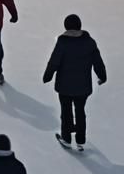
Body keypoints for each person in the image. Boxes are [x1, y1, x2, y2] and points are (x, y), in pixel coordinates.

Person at [42, 14, 107, 151]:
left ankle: (66, 137)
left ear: (66, 26)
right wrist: (102, 76)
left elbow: (54, 61)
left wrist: (47, 75)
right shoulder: (89, 42)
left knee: (66, 111)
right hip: (83, 87)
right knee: (80, 111)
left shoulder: (63, 42)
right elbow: (98, 62)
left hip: (64, 86)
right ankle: (80, 140)